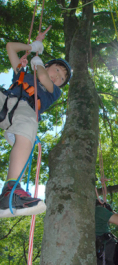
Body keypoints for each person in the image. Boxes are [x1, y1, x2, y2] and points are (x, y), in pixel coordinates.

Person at [0, 40, 72, 218]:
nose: (58, 77)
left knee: (28, 131)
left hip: (27, 109)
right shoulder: (22, 73)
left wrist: (38, 64)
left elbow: (43, 78)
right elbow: (10, 47)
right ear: (48, 66)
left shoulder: (53, 91)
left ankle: (11, 190)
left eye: (62, 78)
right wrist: (31, 48)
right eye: (57, 69)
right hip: (7, 100)